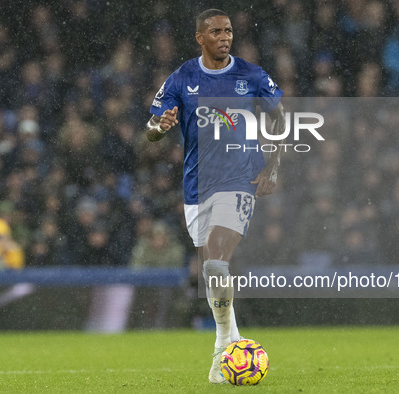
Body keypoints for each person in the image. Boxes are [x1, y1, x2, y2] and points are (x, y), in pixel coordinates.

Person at [145, 9, 285, 384]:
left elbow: (279, 118)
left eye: (229, 31)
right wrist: (160, 126)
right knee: (211, 272)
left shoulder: (252, 75)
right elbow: (151, 128)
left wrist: (271, 166)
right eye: (216, 32)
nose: (225, 37)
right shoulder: (181, 79)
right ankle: (227, 341)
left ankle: (223, 349)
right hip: (196, 187)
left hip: (240, 180)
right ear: (200, 38)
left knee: (217, 262)